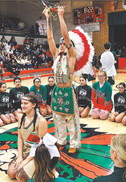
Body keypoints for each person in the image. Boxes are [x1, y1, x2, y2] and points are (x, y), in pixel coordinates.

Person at [43, 6, 81, 154]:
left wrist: (60, 16)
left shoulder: (71, 57)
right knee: (57, 118)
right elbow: (49, 37)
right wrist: (47, 18)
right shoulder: (55, 55)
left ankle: (74, 143)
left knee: (71, 119)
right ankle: (61, 141)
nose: (62, 45)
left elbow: (65, 35)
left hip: (67, 90)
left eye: (64, 44)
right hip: (57, 90)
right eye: (61, 44)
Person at [7, 94, 48, 182]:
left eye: (26, 103)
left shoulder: (41, 121)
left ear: (33, 105)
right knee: (11, 173)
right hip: (26, 150)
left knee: (20, 177)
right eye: (22, 103)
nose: (22, 106)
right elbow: (20, 138)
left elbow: (39, 144)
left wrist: (27, 160)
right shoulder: (21, 118)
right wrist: (20, 157)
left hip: (37, 153)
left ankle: (43, 168)